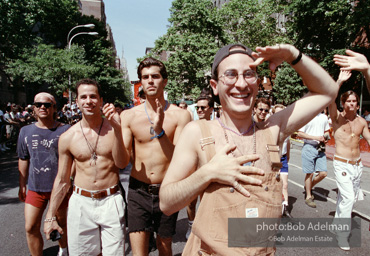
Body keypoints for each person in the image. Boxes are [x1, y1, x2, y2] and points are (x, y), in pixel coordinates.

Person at [159, 43, 338, 255]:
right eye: (231, 75)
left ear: (257, 82)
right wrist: (208, 173)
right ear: (215, 86)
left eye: (249, 74)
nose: (241, 84)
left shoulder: (273, 129)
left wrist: (292, 54)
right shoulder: (197, 132)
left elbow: (328, 91)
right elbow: (167, 202)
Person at [43, 78, 129, 255]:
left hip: (111, 200)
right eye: (83, 97)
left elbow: (122, 163)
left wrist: (118, 131)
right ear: (77, 102)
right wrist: (50, 216)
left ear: (101, 100)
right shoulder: (68, 137)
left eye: (93, 96)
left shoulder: (114, 129)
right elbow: (62, 179)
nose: (88, 101)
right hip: (81, 202)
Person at [121, 57, 191, 256]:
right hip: (137, 190)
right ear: (140, 82)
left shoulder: (180, 116)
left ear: (165, 81)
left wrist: (160, 131)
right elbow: (123, 160)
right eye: (145, 77)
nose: (150, 80)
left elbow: (178, 158)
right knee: (139, 251)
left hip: (167, 189)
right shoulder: (129, 116)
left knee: (164, 246)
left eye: (155, 76)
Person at [17, 92, 70, 256]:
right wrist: (22, 184)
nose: (42, 107)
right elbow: (23, 158)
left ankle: (64, 249)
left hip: (60, 189)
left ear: (54, 108)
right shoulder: (25, 131)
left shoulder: (66, 130)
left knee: (61, 224)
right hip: (35, 188)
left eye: (47, 105)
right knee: (30, 227)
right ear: (33, 108)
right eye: (38, 104)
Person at [328, 70, 370, 251]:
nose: (352, 104)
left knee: (347, 199)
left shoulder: (362, 122)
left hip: (357, 165)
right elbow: (330, 99)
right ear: (343, 103)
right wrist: (338, 81)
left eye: (354, 101)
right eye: (349, 101)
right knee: (348, 198)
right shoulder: (337, 118)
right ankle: (342, 235)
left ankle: (336, 225)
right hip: (341, 163)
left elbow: (368, 138)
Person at [185, 94, 215, 240]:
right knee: (190, 203)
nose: (200, 110)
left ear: (211, 109)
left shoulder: (216, 126)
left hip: (209, 169)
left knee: (206, 202)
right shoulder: (191, 127)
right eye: (197, 107)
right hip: (193, 169)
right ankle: (191, 225)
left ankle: (205, 229)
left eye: (203, 107)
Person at [297, 111, 330, 208]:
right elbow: (300, 134)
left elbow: (326, 131)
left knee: (323, 173)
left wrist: (326, 136)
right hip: (309, 147)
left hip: (320, 147)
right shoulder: (307, 116)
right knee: (310, 173)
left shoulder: (324, 117)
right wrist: (315, 137)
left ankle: (309, 186)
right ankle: (308, 196)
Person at [272, 104, 292, 218]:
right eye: (277, 112)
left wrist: (287, 156)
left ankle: (285, 208)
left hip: (283, 158)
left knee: (284, 184)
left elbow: (288, 143)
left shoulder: (287, 127)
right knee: (273, 184)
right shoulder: (269, 127)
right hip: (273, 158)